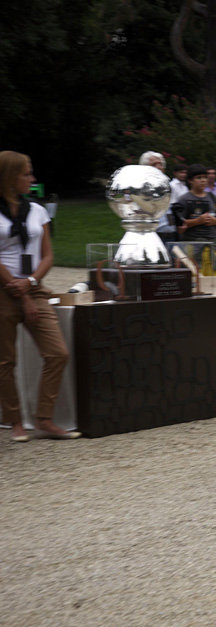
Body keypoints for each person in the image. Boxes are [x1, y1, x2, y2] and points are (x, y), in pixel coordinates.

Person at [0, 151, 79, 442]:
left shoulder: (37, 211)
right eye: (26, 174)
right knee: (5, 361)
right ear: (9, 177)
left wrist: (31, 282)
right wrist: (18, 289)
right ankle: (15, 422)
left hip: (34, 289)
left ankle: (44, 419)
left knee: (58, 353)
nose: (32, 179)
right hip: (3, 291)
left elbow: (48, 255)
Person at [174, 163, 216, 242]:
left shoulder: (212, 197)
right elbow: (179, 224)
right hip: (191, 241)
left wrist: (215, 221)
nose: (203, 180)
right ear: (190, 180)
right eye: (199, 178)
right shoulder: (184, 199)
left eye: (205, 177)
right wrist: (198, 221)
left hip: (212, 240)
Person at [139, 151, 176, 245]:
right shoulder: (139, 186)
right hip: (150, 235)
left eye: (160, 164)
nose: (158, 167)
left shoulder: (168, 184)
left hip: (170, 232)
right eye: (154, 164)